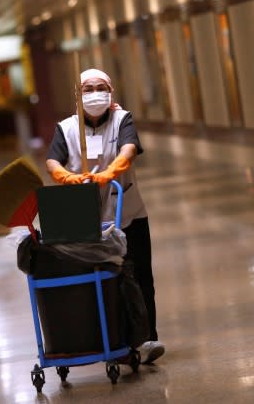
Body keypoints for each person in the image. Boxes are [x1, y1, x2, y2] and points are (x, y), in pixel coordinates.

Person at [45, 68, 165, 364]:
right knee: (99, 279)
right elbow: (52, 159)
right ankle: (110, 340)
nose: (94, 93)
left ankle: (147, 337)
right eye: (88, 88)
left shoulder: (122, 119)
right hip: (85, 216)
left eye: (100, 87)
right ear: (78, 95)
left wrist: (114, 170)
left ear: (110, 92)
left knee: (139, 277)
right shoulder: (67, 128)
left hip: (128, 212)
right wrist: (64, 176)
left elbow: (129, 148)